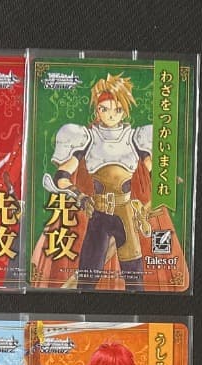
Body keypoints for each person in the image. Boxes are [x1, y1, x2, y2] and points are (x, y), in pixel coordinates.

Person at [39, 74, 152, 290]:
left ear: (125, 110)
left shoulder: (136, 138)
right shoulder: (86, 137)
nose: (111, 114)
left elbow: (154, 168)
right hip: (98, 214)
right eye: (104, 108)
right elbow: (61, 177)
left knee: (135, 280)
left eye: (117, 109)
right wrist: (80, 196)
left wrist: (165, 180)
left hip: (126, 215)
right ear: (97, 110)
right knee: (87, 278)